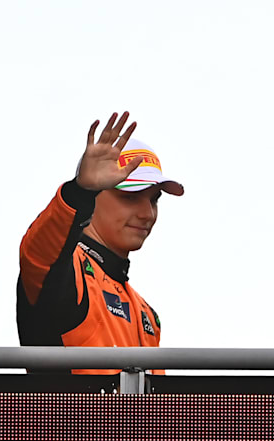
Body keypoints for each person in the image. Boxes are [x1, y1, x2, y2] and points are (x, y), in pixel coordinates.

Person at [17, 111, 182, 374]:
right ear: (93, 195)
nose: (147, 213)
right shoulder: (67, 271)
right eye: (131, 196)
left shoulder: (147, 314)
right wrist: (78, 193)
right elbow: (39, 254)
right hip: (69, 417)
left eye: (154, 199)